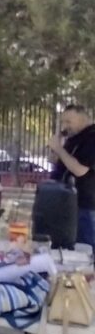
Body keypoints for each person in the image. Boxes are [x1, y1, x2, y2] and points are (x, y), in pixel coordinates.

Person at [49, 104, 95, 249]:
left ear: (83, 118)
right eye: (63, 122)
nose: (65, 126)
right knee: (65, 247)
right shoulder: (73, 137)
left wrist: (59, 149)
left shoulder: (91, 138)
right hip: (65, 201)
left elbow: (80, 170)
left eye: (69, 121)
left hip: (84, 204)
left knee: (84, 249)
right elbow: (56, 161)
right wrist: (56, 148)